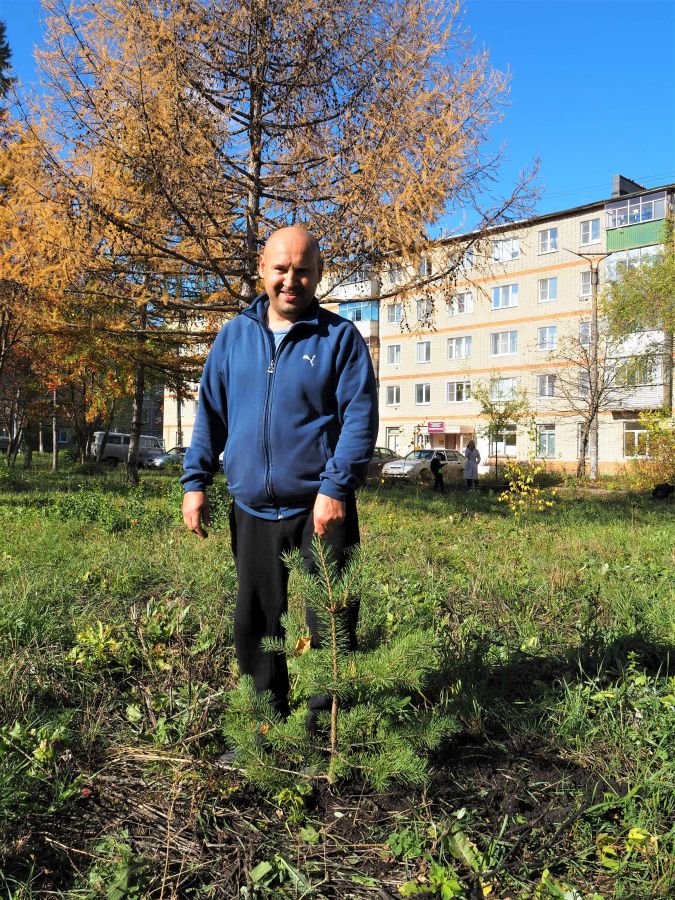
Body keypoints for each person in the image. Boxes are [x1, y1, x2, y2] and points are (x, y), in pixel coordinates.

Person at [181, 225, 378, 722]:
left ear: (318, 275)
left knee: (330, 622)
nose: (292, 280)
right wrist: (195, 482)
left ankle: (321, 730)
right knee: (256, 620)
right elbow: (211, 414)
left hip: (321, 510)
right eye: (282, 269)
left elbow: (359, 418)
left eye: (303, 271)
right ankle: (266, 723)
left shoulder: (340, 339)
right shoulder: (233, 338)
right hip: (250, 508)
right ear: (262, 271)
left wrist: (335, 489)